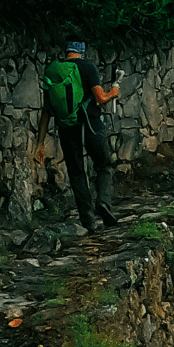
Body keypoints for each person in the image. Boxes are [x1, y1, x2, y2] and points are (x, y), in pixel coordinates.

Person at [35, 38, 120, 230]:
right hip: (89, 124)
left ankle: (88, 221)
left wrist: (39, 142)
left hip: (66, 128)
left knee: (76, 172)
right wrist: (113, 92)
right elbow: (101, 98)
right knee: (104, 164)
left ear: (66, 50)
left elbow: (46, 111)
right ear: (82, 50)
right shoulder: (87, 68)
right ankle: (103, 203)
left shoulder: (53, 71)